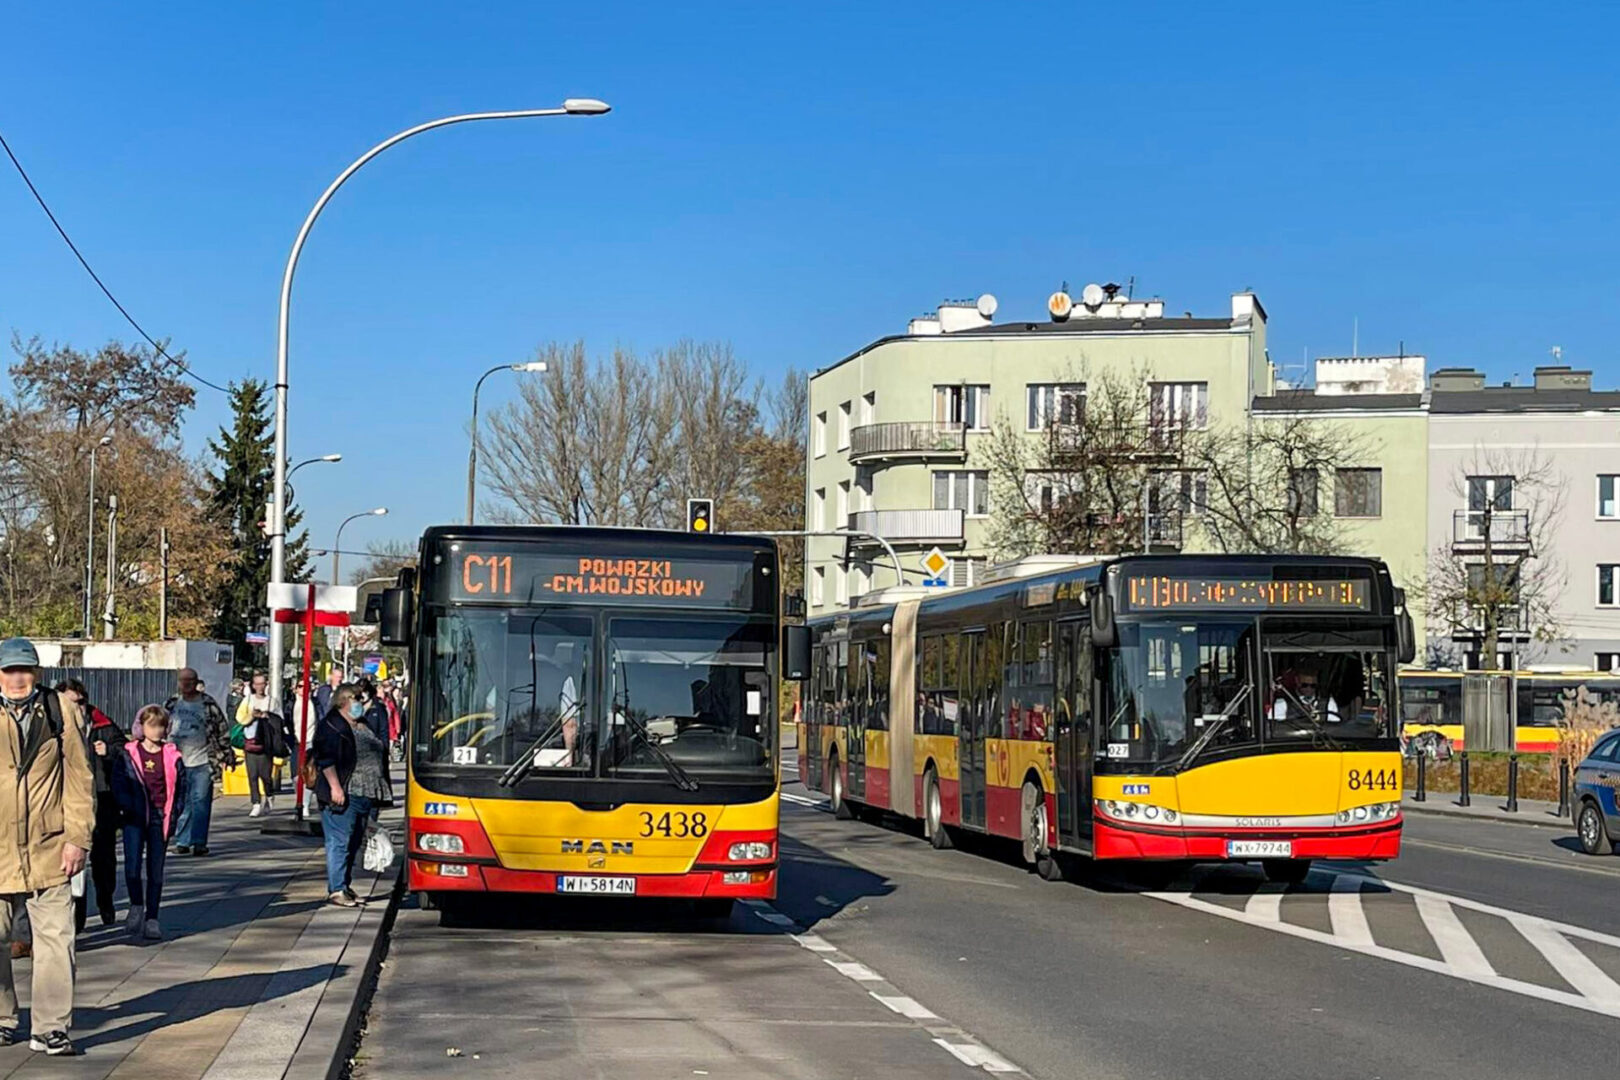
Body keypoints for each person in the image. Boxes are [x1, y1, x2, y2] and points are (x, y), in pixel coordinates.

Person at [0, 638, 94, 1056]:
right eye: (9, 670)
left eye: (25, 669)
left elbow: (80, 777)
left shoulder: (61, 710)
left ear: (36, 672)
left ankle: (51, 1027)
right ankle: (2, 1017)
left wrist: (78, 838)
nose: (17, 678)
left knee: (57, 940)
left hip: (50, 846)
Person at [54, 680, 124, 932]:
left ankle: (105, 899)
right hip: (67, 804)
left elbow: (124, 751)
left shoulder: (102, 724)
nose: (76, 707)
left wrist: (109, 752)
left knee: (103, 860)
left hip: (102, 801)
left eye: (80, 702)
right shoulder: (53, 725)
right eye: (70, 702)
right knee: (73, 863)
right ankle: (77, 918)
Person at [112, 706, 182, 942]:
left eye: (161, 726)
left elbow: (180, 787)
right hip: (134, 816)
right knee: (132, 866)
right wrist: (126, 804)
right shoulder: (128, 754)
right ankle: (136, 905)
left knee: (156, 870)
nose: (157, 730)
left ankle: (153, 918)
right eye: (152, 725)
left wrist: (174, 813)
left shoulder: (172, 755)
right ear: (141, 727)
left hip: (159, 817)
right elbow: (118, 782)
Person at [314, 684, 387, 907]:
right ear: (344, 700)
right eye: (356, 699)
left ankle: (344, 885)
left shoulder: (361, 724)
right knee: (340, 840)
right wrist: (335, 787)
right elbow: (325, 758)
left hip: (366, 792)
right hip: (345, 792)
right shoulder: (332, 725)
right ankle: (336, 889)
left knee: (354, 841)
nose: (360, 703)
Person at [165, 668, 236, 856]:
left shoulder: (207, 704)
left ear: (197, 681)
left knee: (200, 801)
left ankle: (198, 841)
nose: (186, 684)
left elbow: (222, 729)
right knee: (182, 802)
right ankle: (182, 840)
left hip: (203, 760)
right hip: (177, 762)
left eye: (190, 680)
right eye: (182, 680)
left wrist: (226, 755)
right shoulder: (172, 704)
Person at [235, 672, 277, 817]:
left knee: (265, 776)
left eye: (262, 684)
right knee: (252, 775)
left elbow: (279, 721)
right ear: (253, 686)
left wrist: (267, 716)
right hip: (250, 742)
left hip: (266, 744)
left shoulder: (272, 701)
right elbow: (239, 718)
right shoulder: (247, 700)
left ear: (266, 685)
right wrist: (252, 716)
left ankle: (269, 796)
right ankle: (256, 803)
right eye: (257, 684)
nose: (259, 687)